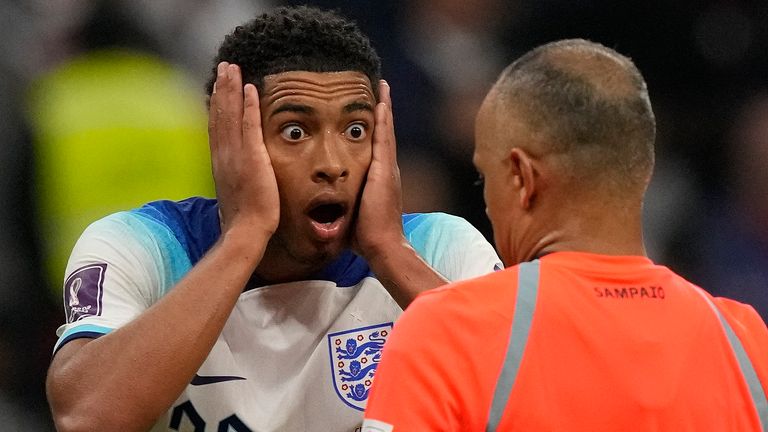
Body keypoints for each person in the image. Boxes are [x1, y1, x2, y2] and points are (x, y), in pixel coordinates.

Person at [45, 6, 502, 432]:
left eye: (356, 130)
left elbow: (532, 401)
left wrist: (390, 253)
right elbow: (87, 414)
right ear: (228, 139)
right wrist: (243, 238)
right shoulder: (139, 245)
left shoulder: (442, 247)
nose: (332, 162)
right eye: (295, 131)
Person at [362, 39, 768, 431]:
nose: (486, 202)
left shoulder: (444, 331)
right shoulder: (748, 344)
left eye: (486, 177)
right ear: (642, 170)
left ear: (522, 177)